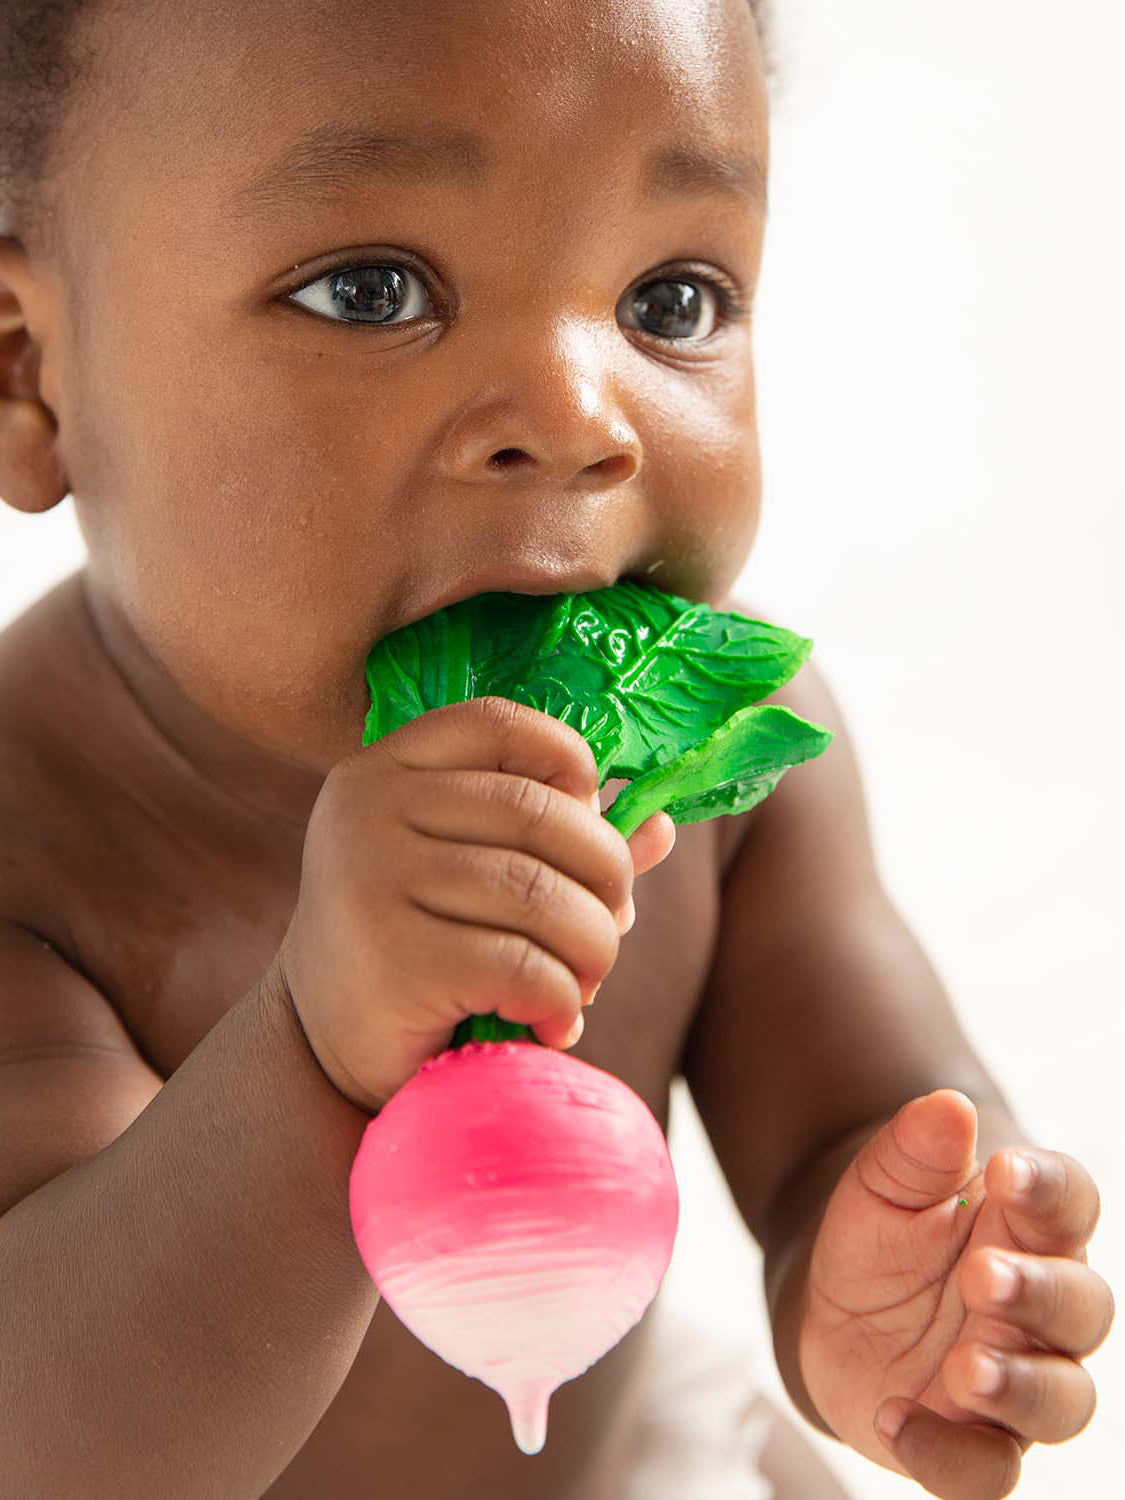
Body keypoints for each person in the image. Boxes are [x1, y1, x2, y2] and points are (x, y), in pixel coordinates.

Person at [0, 2, 1113, 1497]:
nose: (579, 421)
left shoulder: (715, 772)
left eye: (669, 300)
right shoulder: (32, 843)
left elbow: (860, 1121)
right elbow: (55, 1439)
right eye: (372, 290)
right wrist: (317, 1044)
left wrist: (916, 1277)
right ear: (28, 371)